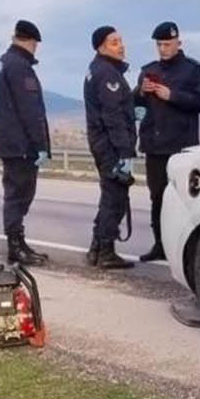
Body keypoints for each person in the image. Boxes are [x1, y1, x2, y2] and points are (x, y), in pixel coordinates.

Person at [133, 21, 200, 262]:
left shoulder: (192, 70)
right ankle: (160, 244)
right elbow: (135, 105)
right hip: (155, 145)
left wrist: (172, 95)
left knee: (183, 199)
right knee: (157, 197)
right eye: (159, 44)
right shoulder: (148, 69)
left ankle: (186, 248)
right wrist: (141, 92)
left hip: (181, 146)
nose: (163, 48)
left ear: (179, 43)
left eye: (167, 44)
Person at [0, 20, 51, 266]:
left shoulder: (5, 62)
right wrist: (40, 145)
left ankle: (19, 243)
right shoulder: (19, 66)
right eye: (35, 44)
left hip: (11, 142)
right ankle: (15, 248)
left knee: (17, 194)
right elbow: (30, 110)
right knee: (19, 195)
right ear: (31, 41)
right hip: (21, 145)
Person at [84, 25, 136, 270]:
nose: (121, 45)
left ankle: (96, 249)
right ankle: (105, 251)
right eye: (115, 42)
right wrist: (124, 151)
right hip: (111, 146)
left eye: (121, 40)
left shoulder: (99, 70)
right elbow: (112, 116)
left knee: (109, 197)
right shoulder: (107, 74)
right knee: (114, 199)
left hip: (103, 143)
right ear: (101, 47)